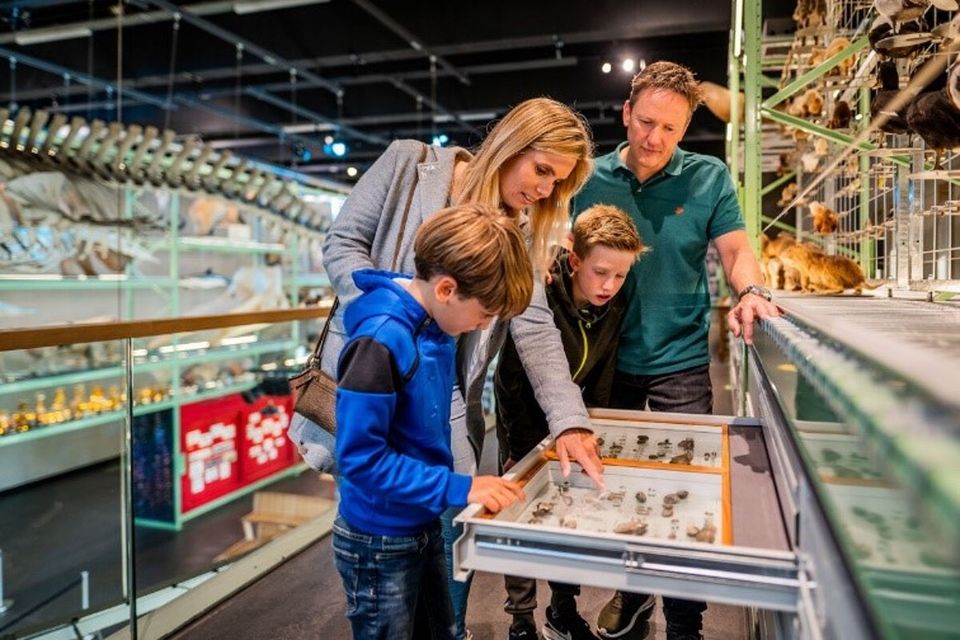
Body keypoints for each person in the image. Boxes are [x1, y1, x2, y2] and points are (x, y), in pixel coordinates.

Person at [293, 97, 606, 640]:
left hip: (451, 404)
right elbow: (342, 243)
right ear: (511, 145)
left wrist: (569, 421)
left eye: (557, 183)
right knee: (391, 555)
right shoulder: (407, 164)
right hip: (387, 382)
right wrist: (397, 314)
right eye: (541, 170)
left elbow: (534, 326)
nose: (544, 190)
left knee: (449, 551)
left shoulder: (521, 228)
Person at [573, 62, 780, 640]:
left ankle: (686, 621)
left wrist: (754, 292)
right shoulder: (588, 178)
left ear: (686, 128)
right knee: (616, 487)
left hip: (681, 361)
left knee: (687, 491)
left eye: (670, 128)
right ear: (626, 113)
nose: (654, 138)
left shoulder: (708, 177)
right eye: (645, 122)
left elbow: (737, 252)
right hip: (606, 358)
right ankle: (633, 593)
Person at [333, 204, 532, 640]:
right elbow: (361, 461)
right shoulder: (380, 341)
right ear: (446, 289)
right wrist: (460, 487)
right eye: (484, 313)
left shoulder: (434, 328)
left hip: (422, 521)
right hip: (379, 540)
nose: (482, 325)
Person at [495, 204, 645, 640]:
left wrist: (588, 428)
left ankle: (562, 608)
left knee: (571, 509)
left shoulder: (615, 301)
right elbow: (510, 376)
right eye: (600, 273)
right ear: (575, 260)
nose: (609, 285)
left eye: (620, 276)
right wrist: (518, 446)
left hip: (574, 417)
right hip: (523, 417)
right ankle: (520, 621)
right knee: (518, 516)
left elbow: (603, 371)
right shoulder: (540, 290)